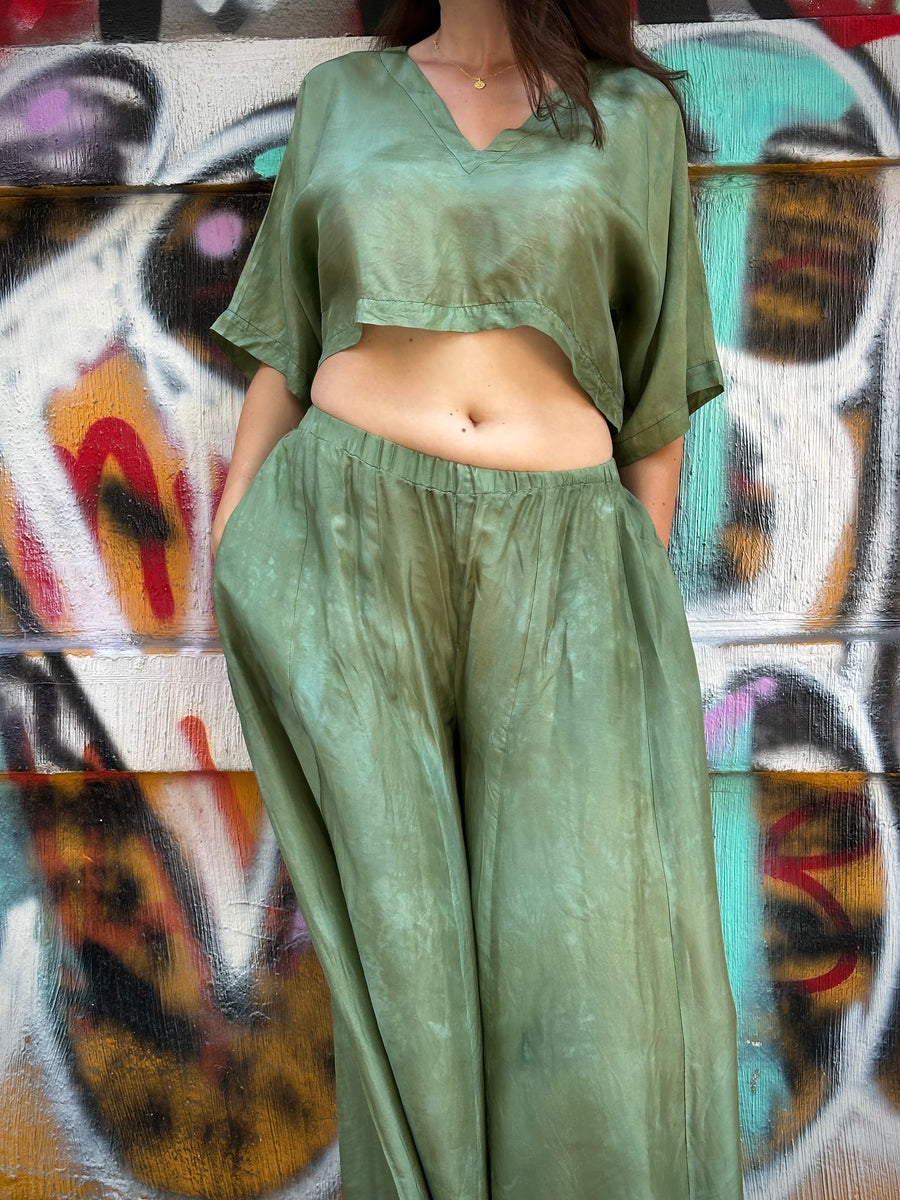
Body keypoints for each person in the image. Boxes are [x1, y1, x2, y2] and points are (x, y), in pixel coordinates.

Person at [208, 1, 745, 1197]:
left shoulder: (632, 118)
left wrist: (627, 589)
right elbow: (286, 342)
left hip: (566, 564)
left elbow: (657, 400)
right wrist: (238, 529)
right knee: (404, 970)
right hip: (346, 544)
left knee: (586, 971)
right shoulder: (344, 98)